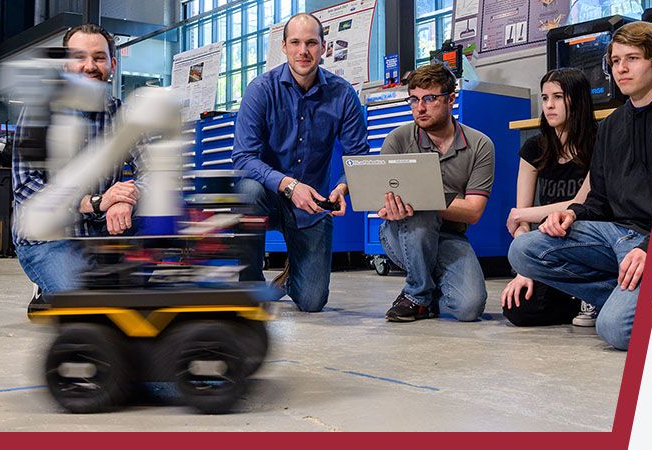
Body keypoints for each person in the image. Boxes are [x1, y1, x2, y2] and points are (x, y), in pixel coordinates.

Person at [508, 21, 652, 350]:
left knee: (614, 329)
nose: (621, 68)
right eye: (615, 61)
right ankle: (638, 296)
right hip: (615, 235)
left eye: (632, 58)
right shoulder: (612, 125)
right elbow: (598, 199)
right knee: (524, 250)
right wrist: (571, 214)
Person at [232, 13, 369, 312]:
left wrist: (343, 186)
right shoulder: (261, 90)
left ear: (323, 47)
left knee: (312, 301)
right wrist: (289, 185)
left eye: (311, 43)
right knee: (246, 191)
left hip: (313, 205)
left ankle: (291, 278)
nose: (303, 51)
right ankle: (251, 285)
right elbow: (243, 157)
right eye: (295, 42)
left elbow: (357, 154)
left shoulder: (343, 94)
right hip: (268, 196)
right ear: (284, 46)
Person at [12, 24, 140, 311]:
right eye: (79, 56)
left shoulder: (124, 115)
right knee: (87, 307)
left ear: (112, 64)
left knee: (148, 297)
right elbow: (26, 187)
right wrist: (95, 202)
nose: (89, 66)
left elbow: (152, 172)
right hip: (50, 237)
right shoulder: (38, 112)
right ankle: (49, 284)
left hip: (107, 232)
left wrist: (128, 199)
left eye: (99, 57)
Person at [378, 63, 494, 322]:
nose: (420, 108)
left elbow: (473, 212)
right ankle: (417, 295)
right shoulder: (397, 140)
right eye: (414, 99)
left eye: (430, 99)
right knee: (420, 216)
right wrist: (395, 207)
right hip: (402, 232)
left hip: (449, 235)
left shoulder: (479, 145)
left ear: (451, 99)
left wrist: (423, 199)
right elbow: (381, 203)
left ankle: (426, 296)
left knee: (468, 308)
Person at [501, 68, 597, 327]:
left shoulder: (597, 142)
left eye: (558, 97)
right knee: (519, 310)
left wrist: (520, 214)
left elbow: (579, 203)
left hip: (585, 242)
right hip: (547, 247)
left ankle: (587, 294)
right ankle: (578, 299)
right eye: (544, 98)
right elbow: (520, 224)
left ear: (576, 100)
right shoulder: (534, 147)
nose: (549, 105)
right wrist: (524, 267)